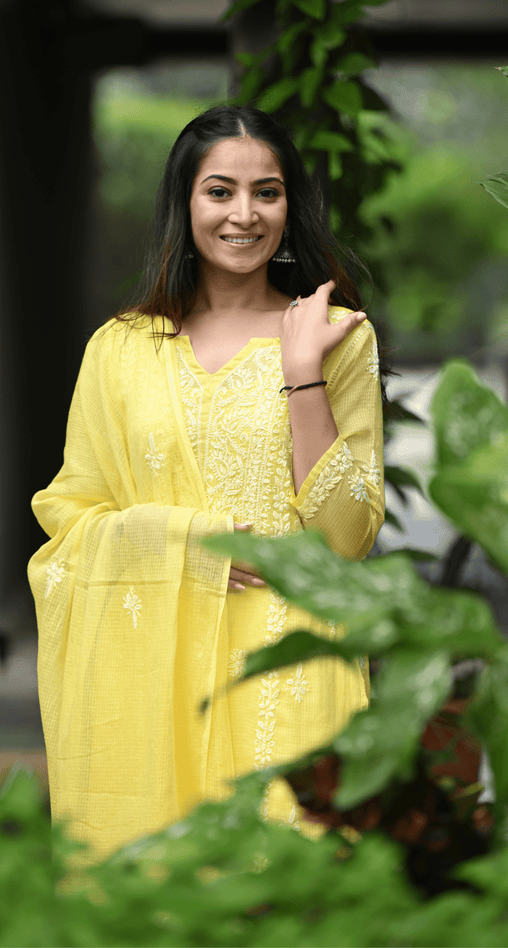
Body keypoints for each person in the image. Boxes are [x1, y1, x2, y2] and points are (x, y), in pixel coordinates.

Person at [28, 104, 385, 869]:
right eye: (219, 191)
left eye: (268, 192)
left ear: (290, 209)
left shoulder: (337, 336)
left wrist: (302, 374)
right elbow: (70, 516)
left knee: (289, 895)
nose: (244, 214)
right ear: (185, 204)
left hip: (292, 670)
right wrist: (183, 547)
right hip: (154, 684)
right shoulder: (121, 350)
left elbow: (345, 540)